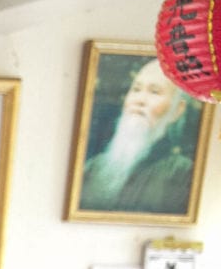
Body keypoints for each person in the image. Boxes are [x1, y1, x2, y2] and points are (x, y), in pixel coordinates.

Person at [80, 59, 198, 216]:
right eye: (136, 89)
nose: (140, 100)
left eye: (154, 92)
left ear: (177, 110)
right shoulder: (93, 168)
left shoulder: (184, 174)